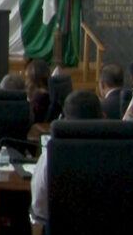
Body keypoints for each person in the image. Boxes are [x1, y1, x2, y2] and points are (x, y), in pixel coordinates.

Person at [30, 90, 103, 221]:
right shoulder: (118, 154)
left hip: (60, 230)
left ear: (65, 121)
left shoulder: (51, 154)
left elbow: (39, 206)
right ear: (103, 118)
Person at [25, 58, 51, 124]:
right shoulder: (49, 92)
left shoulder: (39, 97)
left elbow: (31, 118)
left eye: (27, 78)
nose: (26, 82)